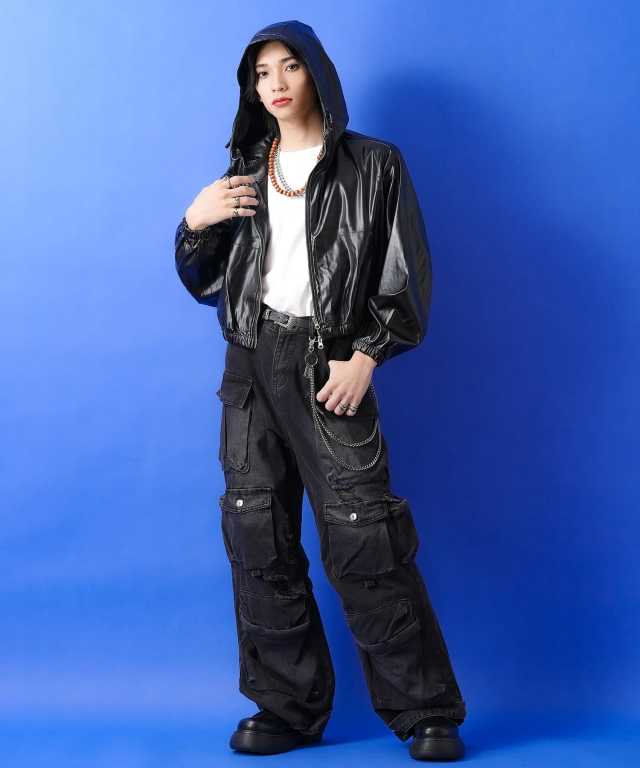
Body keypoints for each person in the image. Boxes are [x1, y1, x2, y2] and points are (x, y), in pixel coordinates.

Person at [174, 19, 467, 762]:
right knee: (257, 536)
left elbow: (407, 275)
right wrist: (193, 224)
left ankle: (425, 710)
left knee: (365, 536)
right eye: (260, 72)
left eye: (289, 66)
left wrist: (366, 355)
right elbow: (206, 283)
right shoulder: (245, 170)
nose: (274, 83)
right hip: (250, 363)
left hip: (328, 363)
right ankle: (286, 706)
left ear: (317, 73)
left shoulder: (374, 164)